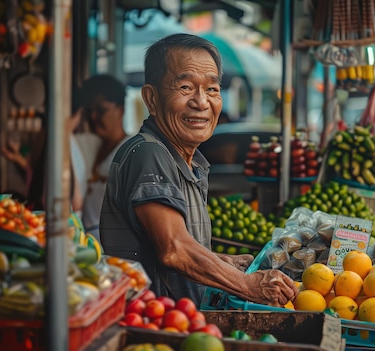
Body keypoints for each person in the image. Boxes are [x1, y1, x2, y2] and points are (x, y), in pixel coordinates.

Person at [99, 33, 297, 307]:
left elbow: (167, 248)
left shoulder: (185, 159)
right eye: (185, 87)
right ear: (151, 98)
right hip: (152, 327)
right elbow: (174, 249)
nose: (202, 102)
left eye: (213, 90)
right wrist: (247, 284)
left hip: (180, 322)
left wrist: (221, 262)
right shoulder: (149, 153)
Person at [75, 75, 131, 241]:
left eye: (101, 110)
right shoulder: (91, 147)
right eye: (89, 111)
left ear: (120, 110)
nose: (93, 117)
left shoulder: (131, 152)